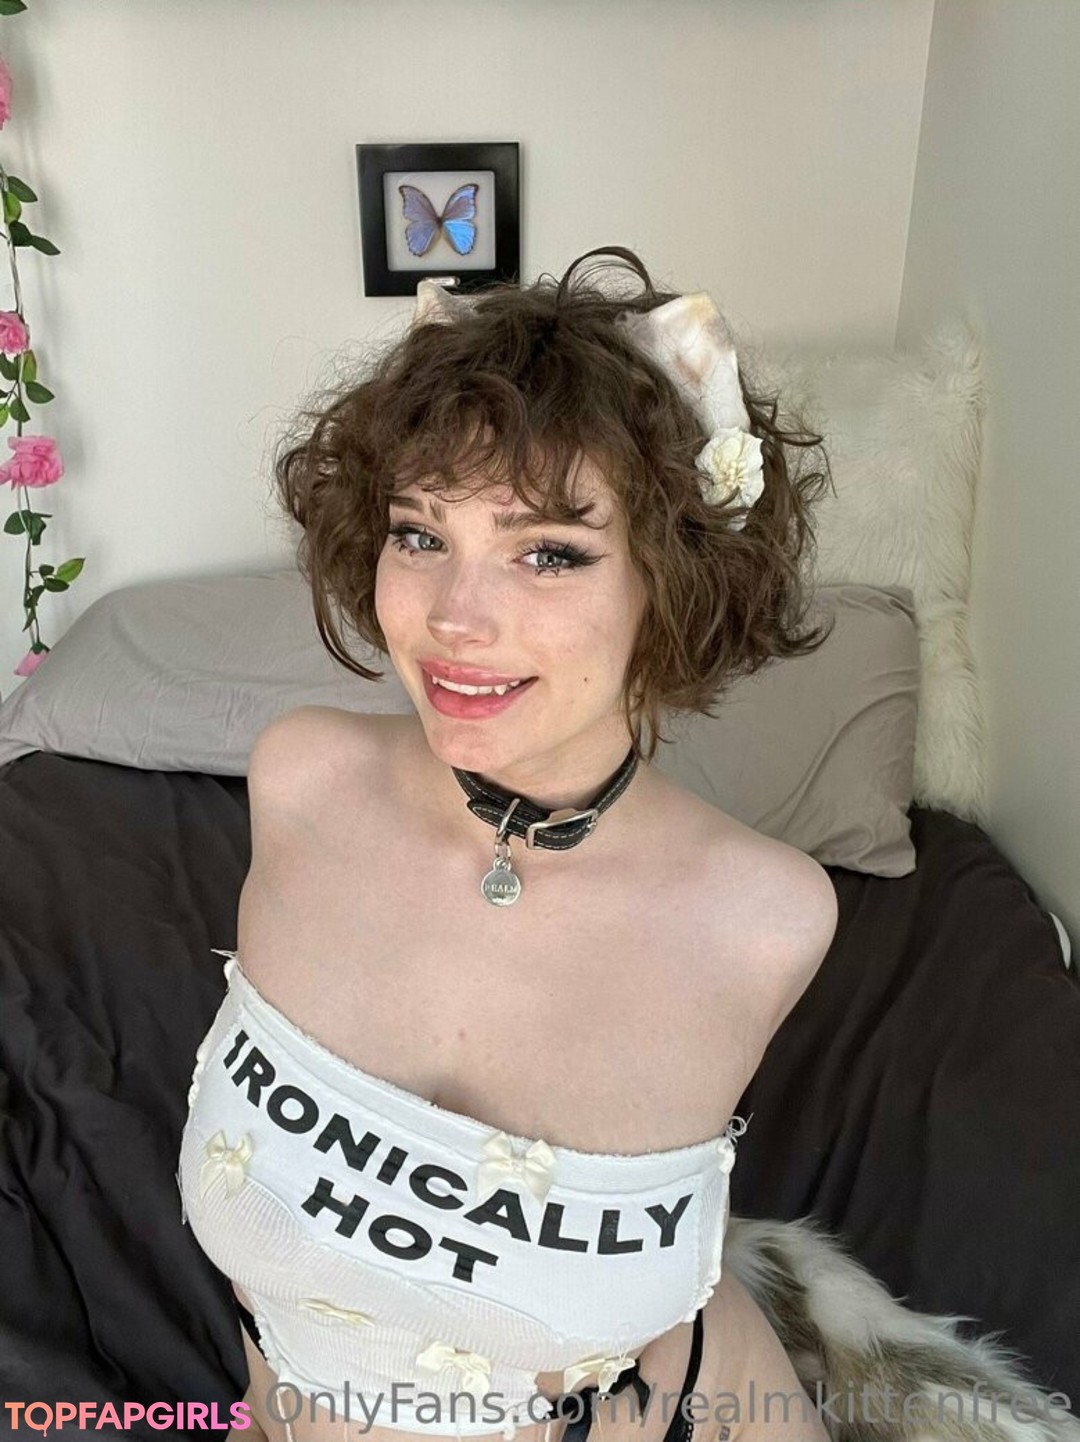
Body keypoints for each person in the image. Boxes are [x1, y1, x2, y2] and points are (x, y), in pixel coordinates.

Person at [178, 246, 839, 1442]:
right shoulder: (300, 780)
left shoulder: (769, 918)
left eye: (548, 551)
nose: (452, 619)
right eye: (419, 534)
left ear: (672, 582)